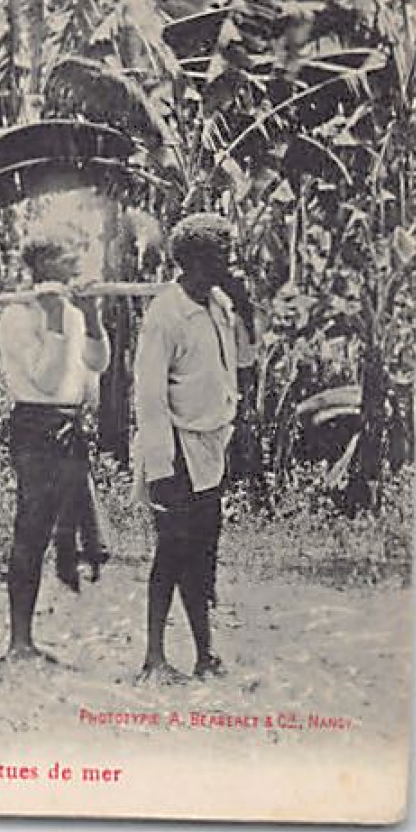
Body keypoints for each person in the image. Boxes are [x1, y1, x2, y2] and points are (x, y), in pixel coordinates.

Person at [134, 213, 257, 682]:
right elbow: (148, 396)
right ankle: (154, 657)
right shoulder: (166, 314)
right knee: (171, 551)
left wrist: (247, 310)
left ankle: (205, 654)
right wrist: (161, 469)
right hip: (176, 450)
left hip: (211, 446)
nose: (232, 262)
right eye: (223, 255)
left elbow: (242, 361)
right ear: (197, 261)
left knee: (202, 555)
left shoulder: (221, 305)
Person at [0, 230, 110, 661]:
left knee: (71, 530)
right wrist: (57, 322)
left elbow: (98, 364)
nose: (75, 261)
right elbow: (43, 378)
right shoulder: (17, 316)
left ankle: (43, 622)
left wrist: (92, 316)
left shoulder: (72, 310)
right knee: (31, 531)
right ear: (41, 265)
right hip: (35, 426)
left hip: (69, 424)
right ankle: (19, 641)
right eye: (66, 256)